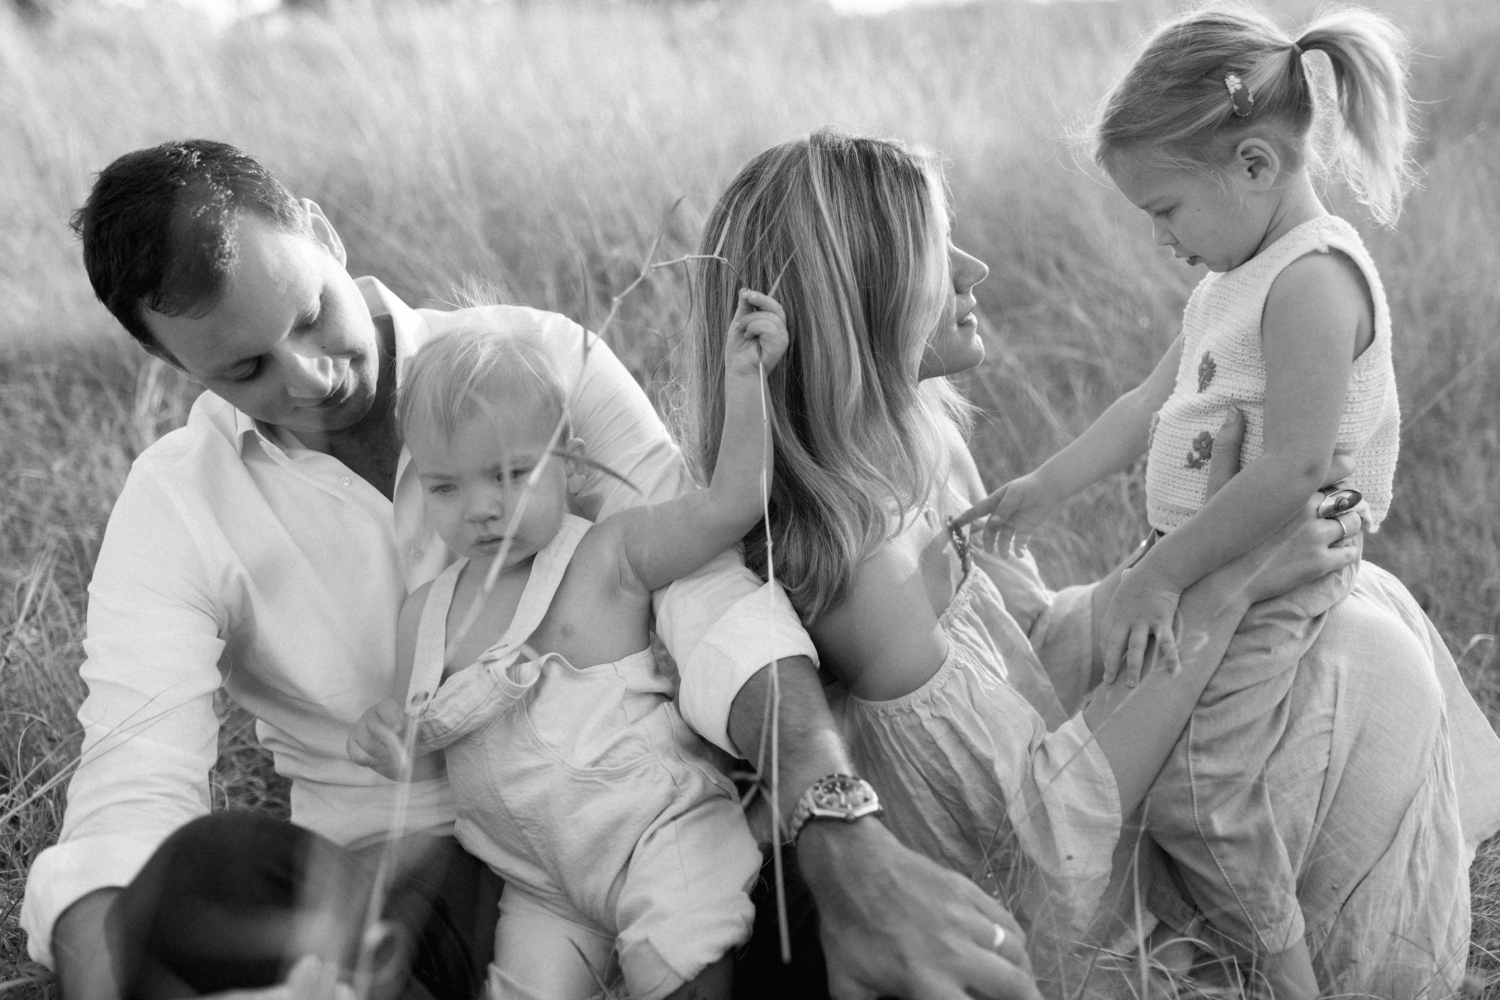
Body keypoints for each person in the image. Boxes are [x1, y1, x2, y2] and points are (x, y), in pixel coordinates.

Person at [24, 138, 1042, 1000]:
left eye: (308, 315)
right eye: (244, 370)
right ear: (176, 367)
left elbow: (706, 593)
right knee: (203, 878)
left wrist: (837, 823)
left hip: (636, 822)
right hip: (405, 890)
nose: (311, 377)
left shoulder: (537, 360)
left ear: (324, 234)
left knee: (823, 922)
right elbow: (132, 784)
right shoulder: (178, 500)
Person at [683, 127, 1500, 997]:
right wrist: (1230, 583)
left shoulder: (923, 440)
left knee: (1352, 601)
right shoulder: (864, 573)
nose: (974, 270)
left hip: (1079, 787)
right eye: (936, 250)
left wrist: (1195, 556)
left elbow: (1036, 647)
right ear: (865, 297)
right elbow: (1040, 865)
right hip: (1056, 912)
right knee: (1358, 660)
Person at [957, 6, 1411, 992]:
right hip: (1197, 553)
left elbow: (1291, 467)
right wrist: (1043, 487)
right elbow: (1145, 403)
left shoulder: (1313, 284)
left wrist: (1162, 573)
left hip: (1274, 566)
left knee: (1199, 799)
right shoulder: (1230, 281)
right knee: (1117, 734)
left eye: (1165, 208)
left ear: (1254, 165)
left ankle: (1287, 977)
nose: (1162, 236)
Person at [343, 302, 787, 998]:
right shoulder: (426, 617)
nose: (483, 506)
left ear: (571, 459)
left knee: (682, 962)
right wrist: (383, 733)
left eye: (512, 474)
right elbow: (417, 748)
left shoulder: (610, 554)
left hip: (658, 832)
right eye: (446, 486)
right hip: (541, 885)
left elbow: (734, 502)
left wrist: (745, 381)